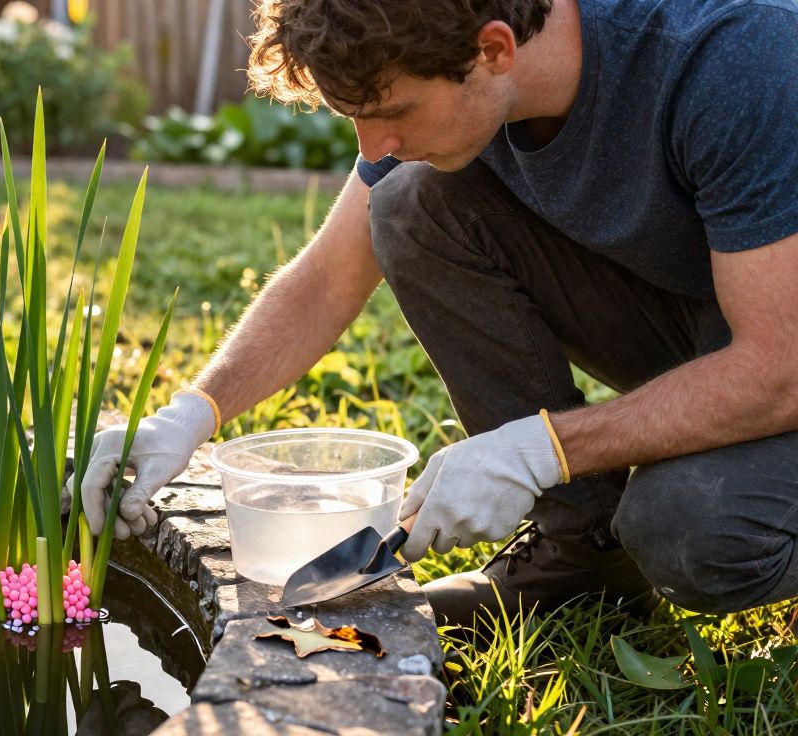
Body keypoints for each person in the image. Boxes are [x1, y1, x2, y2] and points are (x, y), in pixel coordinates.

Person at [72, 0, 798, 629]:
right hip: (724, 319)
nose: (373, 147)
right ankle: (582, 561)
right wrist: (190, 415)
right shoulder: (463, 79)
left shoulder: (732, 59)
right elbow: (328, 279)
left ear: (493, 49)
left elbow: (779, 371)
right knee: (409, 202)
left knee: (690, 531)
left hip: (781, 352)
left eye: (391, 113)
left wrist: (540, 449)